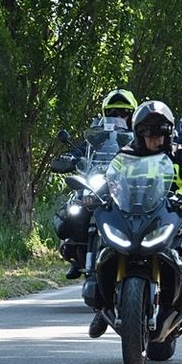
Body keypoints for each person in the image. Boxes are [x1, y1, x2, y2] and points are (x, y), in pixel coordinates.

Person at [88, 100, 182, 340]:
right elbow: (111, 179)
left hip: (170, 216)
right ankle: (101, 307)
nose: (155, 139)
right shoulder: (125, 154)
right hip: (130, 215)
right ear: (138, 133)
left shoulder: (180, 153)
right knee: (104, 247)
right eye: (149, 133)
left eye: (160, 133)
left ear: (169, 133)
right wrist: (94, 193)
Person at [51, 89, 139, 279]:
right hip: (97, 180)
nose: (118, 117)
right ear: (105, 113)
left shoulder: (138, 137)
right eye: (113, 112)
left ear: (132, 114)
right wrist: (70, 158)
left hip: (125, 185)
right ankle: (76, 256)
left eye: (123, 113)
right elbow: (81, 150)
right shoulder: (97, 135)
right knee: (73, 208)